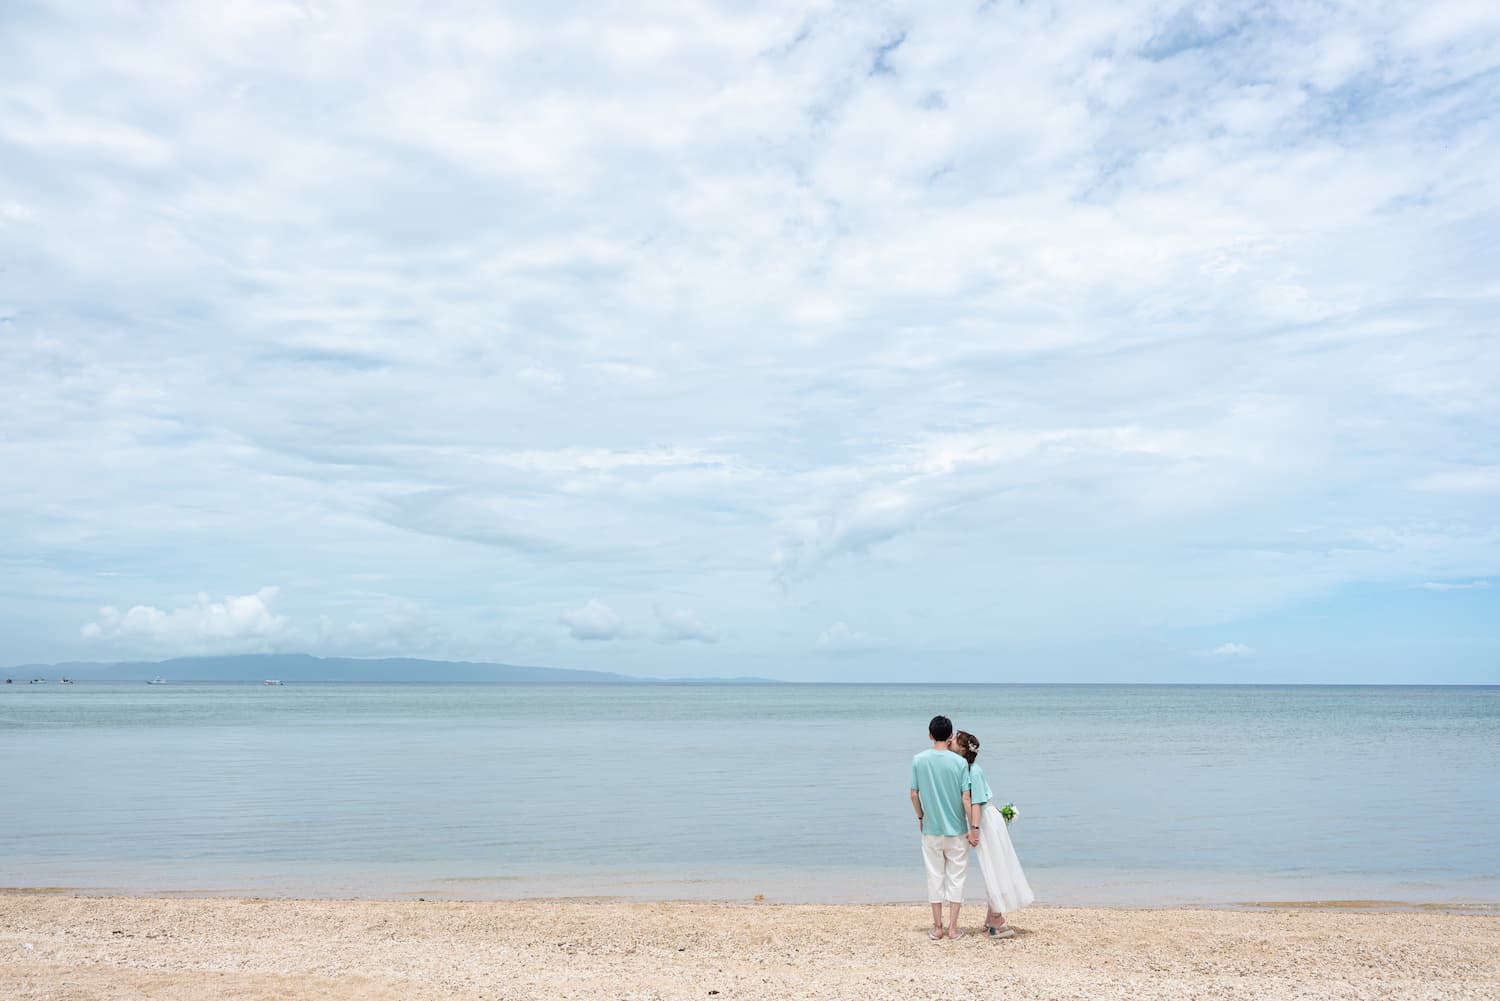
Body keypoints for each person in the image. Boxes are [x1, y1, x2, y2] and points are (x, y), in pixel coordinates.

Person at [954, 730, 1034, 938]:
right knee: (992, 865)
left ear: (963, 749)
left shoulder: (974, 771)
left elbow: (978, 802)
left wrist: (974, 829)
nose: (950, 741)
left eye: (954, 740)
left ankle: (996, 919)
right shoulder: (966, 769)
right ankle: (991, 919)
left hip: (985, 822)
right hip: (983, 820)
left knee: (994, 866)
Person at [910, 714, 975, 940]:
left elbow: (913, 794)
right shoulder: (959, 763)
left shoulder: (918, 760)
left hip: (931, 829)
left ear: (929, 735)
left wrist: (920, 816)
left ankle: (937, 927)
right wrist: (973, 827)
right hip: (956, 830)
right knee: (957, 877)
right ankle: (953, 929)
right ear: (950, 736)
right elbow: (966, 798)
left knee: (934, 876)